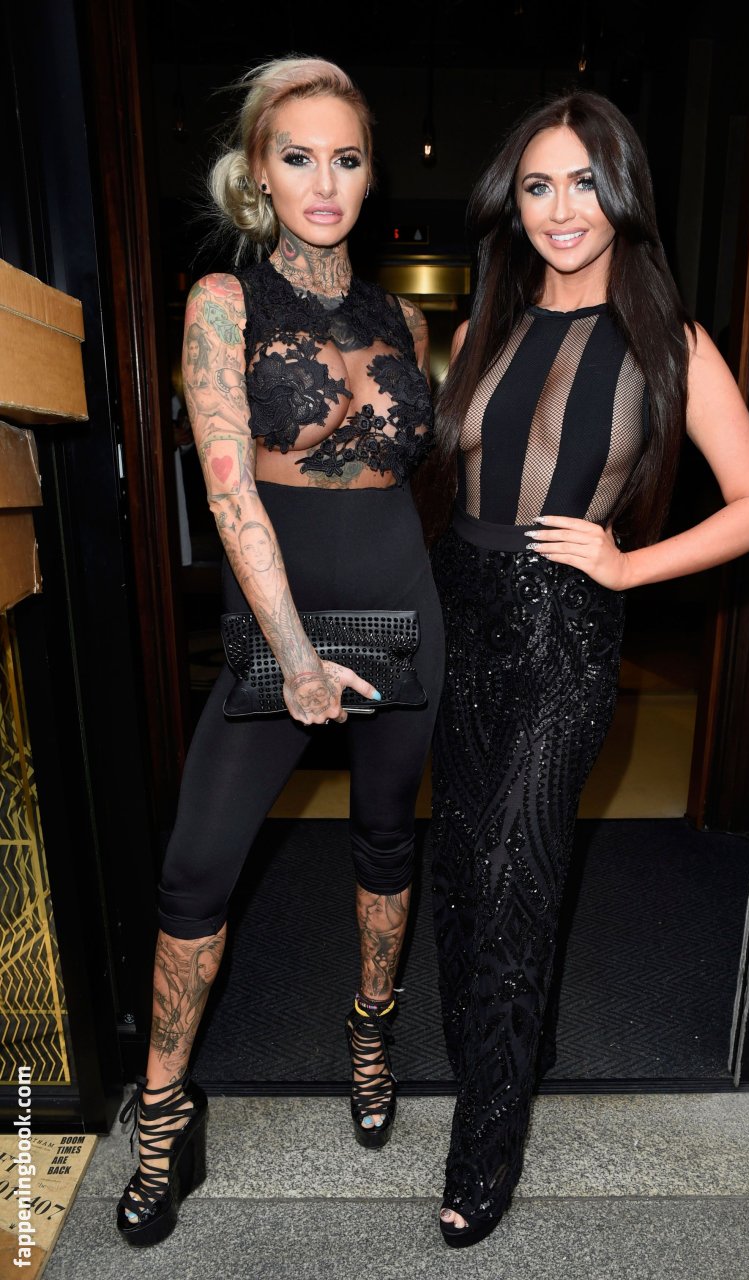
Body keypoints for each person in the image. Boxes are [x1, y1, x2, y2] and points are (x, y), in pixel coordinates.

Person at [429, 90, 749, 1248]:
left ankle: (484, 1148)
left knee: (514, 874)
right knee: (459, 870)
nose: (560, 208)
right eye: (537, 185)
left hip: (563, 633)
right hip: (461, 616)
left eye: (583, 181)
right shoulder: (483, 329)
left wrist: (629, 565)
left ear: (622, 193)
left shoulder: (669, 341)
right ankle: (506, 1047)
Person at [116, 56, 444, 1247]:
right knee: (196, 867)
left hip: (403, 607)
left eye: (346, 158)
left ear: (370, 171)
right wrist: (294, 654)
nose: (324, 181)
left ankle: (370, 1035)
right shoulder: (224, 299)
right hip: (277, 622)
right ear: (259, 171)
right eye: (298, 156)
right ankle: (165, 1109)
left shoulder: (406, 319)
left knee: (386, 837)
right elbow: (227, 490)